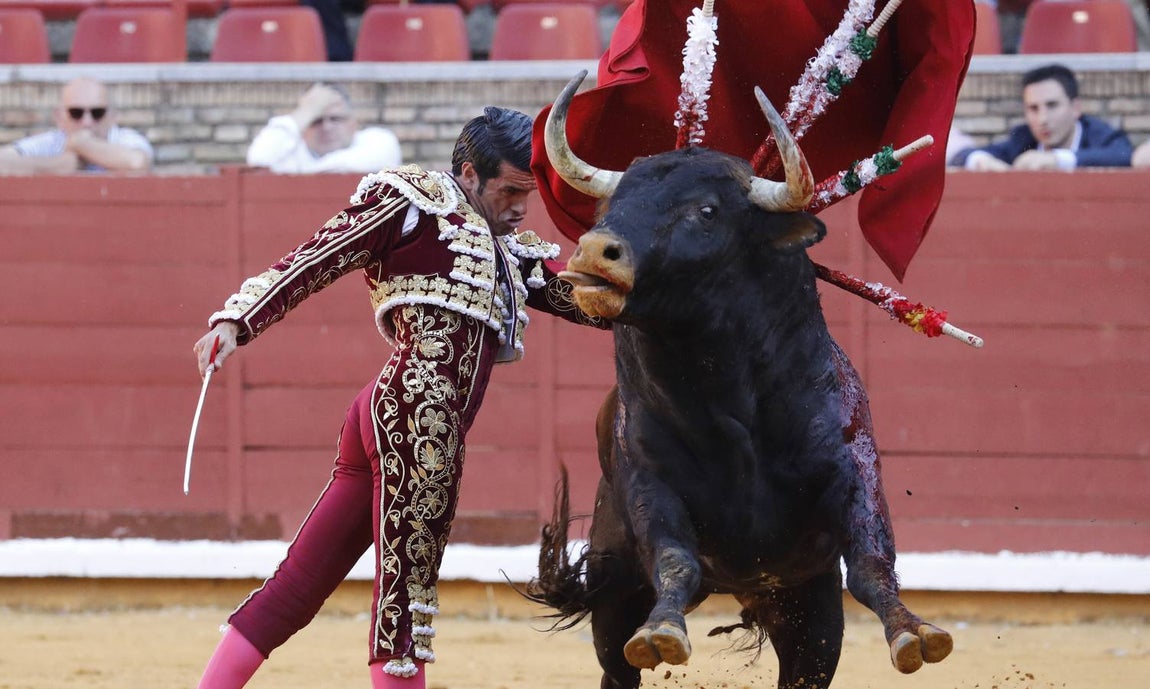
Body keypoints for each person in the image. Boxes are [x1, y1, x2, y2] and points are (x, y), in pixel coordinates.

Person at [193, 106, 605, 689]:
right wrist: (239, 319)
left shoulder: (509, 250)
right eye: (511, 190)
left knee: (302, 583)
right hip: (417, 420)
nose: (520, 207)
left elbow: (586, 300)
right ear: (468, 173)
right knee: (405, 604)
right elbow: (321, 254)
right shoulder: (413, 205)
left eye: (528, 193)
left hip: (392, 416)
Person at [950, 64, 1133, 171]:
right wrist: (981, 160)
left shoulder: (1097, 134)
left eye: (1052, 105)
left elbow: (1123, 156)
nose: (1043, 118)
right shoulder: (1024, 138)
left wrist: (1057, 159)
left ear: (1076, 108)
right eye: (1033, 108)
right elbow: (961, 157)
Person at [0, 76, 153, 174]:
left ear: (112, 117)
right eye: (76, 113)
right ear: (59, 117)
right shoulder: (52, 141)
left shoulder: (124, 139)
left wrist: (81, 143)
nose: (87, 122)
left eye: (97, 113)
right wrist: (60, 166)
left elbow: (137, 163)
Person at [246, 82, 402, 174]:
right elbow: (258, 159)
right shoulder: (294, 151)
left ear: (353, 124)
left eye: (335, 119)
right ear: (303, 128)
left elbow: (378, 159)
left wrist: (305, 173)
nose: (326, 127)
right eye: (316, 120)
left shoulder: (378, 140)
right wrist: (305, 112)